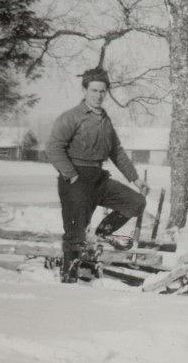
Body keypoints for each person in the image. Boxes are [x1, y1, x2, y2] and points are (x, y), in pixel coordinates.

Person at [46, 67, 149, 283]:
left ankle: (101, 233)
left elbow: (117, 151)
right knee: (75, 232)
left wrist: (136, 179)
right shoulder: (71, 117)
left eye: (102, 91)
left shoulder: (105, 120)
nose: (98, 95)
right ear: (84, 90)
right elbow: (54, 147)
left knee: (135, 202)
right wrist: (71, 175)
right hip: (75, 179)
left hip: (98, 178)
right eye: (94, 90)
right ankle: (69, 277)